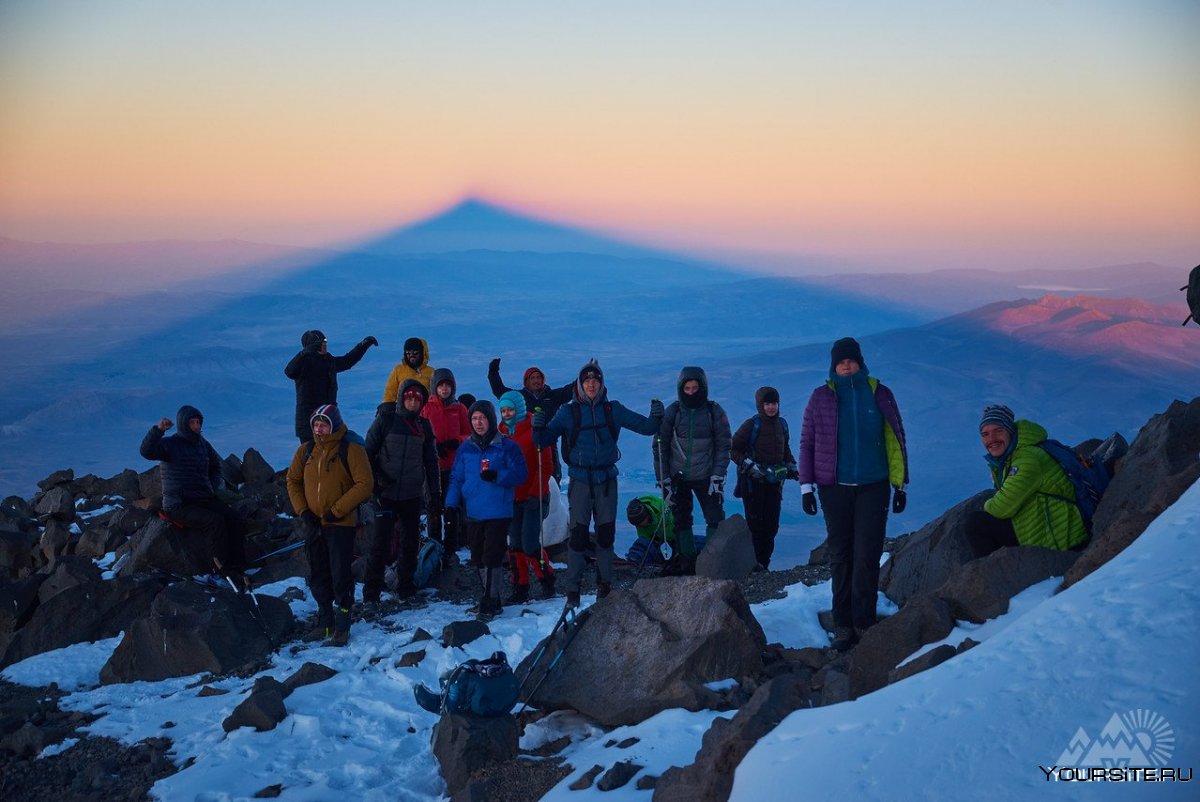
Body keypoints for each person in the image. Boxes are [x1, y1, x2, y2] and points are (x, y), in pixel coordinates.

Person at [799, 337, 908, 652]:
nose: (846, 366)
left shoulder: (879, 393)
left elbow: (896, 438)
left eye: (851, 361)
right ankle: (843, 625)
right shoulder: (821, 397)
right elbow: (807, 443)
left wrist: (900, 484)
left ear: (860, 363)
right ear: (833, 366)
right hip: (834, 489)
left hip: (874, 486)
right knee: (841, 555)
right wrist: (807, 487)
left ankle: (864, 621)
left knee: (868, 554)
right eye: (840, 362)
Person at [533, 359, 663, 607]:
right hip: (581, 481)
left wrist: (656, 418)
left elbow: (645, 428)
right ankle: (573, 591)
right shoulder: (568, 412)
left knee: (605, 536)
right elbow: (543, 439)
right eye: (586, 380)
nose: (591, 384)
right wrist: (537, 429)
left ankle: (604, 588)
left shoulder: (612, 410)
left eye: (595, 380)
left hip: (606, 482)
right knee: (578, 537)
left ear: (601, 384)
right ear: (580, 385)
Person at [286, 404, 374, 646]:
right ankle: (325, 622)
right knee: (318, 572)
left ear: (334, 424)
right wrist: (303, 511)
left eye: (324, 423)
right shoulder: (306, 451)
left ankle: (343, 626)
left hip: (341, 524)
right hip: (314, 524)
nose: (319, 429)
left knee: (340, 574)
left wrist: (337, 511)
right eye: (316, 424)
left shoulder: (350, 448)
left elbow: (365, 484)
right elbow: (292, 480)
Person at [965, 404, 1089, 557]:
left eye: (998, 431)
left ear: (1010, 432)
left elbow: (1000, 508)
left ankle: (1001, 577)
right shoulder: (1012, 457)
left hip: (1059, 539)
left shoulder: (1027, 459)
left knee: (976, 524)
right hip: (1045, 526)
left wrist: (987, 504)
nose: (992, 439)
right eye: (985, 434)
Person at [139, 405, 247, 579]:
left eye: (198, 422)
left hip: (202, 499)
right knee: (215, 522)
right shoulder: (170, 444)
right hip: (178, 504)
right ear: (183, 424)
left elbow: (215, 467)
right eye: (192, 422)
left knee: (234, 518)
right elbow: (146, 451)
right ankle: (218, 569)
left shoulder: (203, 444)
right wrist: (158, 430)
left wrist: (211, 485)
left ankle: (238, 564)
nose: (197, 426)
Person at [445, 400, 528, 621]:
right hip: (474, 511)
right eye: (474, 418)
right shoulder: (466, 448)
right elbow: (456, 478)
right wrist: (450, 505)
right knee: (478, 557)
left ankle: (489, 602)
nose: (478, 422)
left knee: (492, 556)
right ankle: (492, 598)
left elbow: (521, 473)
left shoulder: (507, 446)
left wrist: (498, 477)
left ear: (491, 419)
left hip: (499, 511)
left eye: (482, 418)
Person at [361, 379, 441, 602]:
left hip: (412, 495)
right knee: (380, 544)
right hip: (385, 495)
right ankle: (371, 594)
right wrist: (376, 483)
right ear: (401, 398)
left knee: (409, 543)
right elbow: (366, 454)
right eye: (409, 397)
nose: (413, 402)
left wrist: (435, 494)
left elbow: (431, 462)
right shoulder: (385, 420)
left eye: (417, 399)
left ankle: (406, 588)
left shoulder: (424, 426)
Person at [652, 366, 731, 575]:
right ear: (680, 389)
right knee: (681, 519)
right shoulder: (673, 412)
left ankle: (712, 563)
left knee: (714, 518)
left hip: (707, 476)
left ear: (703, 387)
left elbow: (724, 445)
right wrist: (664, 480)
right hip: (679, 478)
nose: (691, 392)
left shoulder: (714, 412)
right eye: (687, 388)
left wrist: (718, 475)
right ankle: (687, 560)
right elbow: (659, 446)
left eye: (695, 388)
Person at [730, 386, 799, 570]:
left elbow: (785, 450)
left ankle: (764, 564)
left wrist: (792, 467)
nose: (771, 407)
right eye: (767, 403)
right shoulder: (751, 425)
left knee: (771, 526)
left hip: (774, 484)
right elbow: (733, 449)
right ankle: (754, 565)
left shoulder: (782, 425)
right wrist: (749, 465)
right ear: (760, 405)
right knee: (755, 526)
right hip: (752, 484)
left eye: (774, 403)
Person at [498, 390, 556, 602]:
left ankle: (547, 579)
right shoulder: (501, 433)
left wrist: (535, 493)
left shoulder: (536, 429)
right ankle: (520, 587)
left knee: (530, 543)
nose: (506, 414)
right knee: (515, 546)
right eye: (503, 410)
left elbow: (547, 465)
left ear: (520, 409)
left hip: (535, 497)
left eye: (510, 409)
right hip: (512, 498)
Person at [284, 330, 378, 442]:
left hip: (329, 418)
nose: (324, 345)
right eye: (321, 343)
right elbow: (289, 372)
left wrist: (363, 345)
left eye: (325, 342)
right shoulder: (304, 363)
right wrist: (303, 353)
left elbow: (347, 361)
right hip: (309, 423)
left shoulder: (328, 361)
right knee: (312, 457)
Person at [488, 357, 574, 479]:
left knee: (553, 477)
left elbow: (570, 389)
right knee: (528, 478)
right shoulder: (519, 397)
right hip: (526, 447)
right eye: (532, 378)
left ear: (543, 380)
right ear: (526, 381)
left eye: (538, 377)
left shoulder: (553, 396)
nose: (536, 380)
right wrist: (493, 372)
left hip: (549, 445)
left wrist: (585, 374)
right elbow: (499, 390)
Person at [421, 368, 471, 564]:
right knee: (433, 508)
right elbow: (420, 432)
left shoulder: (460, 409)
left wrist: (456, 441)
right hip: (432, 467)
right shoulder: (426, 408)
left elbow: (470, 435)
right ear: (435, 387)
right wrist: (434, 445)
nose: (444, 389)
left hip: (453, 468)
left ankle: (451, 549)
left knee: (452, 509)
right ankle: (434, 546)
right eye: (441, 385)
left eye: (448, 385)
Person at [624, 495, 678, 566]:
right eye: (636, 524)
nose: (638, 526)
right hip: (654, 537)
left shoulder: (666, 513)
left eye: (640, 523)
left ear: (646, 516)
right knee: (643, 545)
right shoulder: (639, 520)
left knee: (683, 549)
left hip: (673, 534)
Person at [382, 337, 435, 401]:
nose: (411, 356)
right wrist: (387, 408)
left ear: (422, 353)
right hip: (402, 410)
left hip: (426, 409)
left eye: (415, 353)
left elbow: (436, 395)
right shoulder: (398, 370)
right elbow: (389, 394)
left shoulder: (431, 372)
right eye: (408, 353)